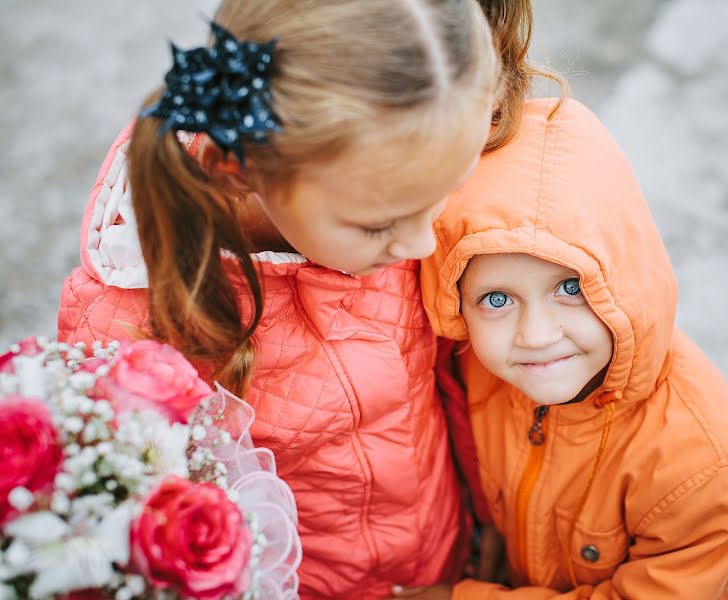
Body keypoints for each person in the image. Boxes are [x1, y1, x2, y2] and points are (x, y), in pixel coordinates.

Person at [56, 1, 503, 597]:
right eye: (379, 224)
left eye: (444, 194)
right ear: (236, 170)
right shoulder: (127, 326)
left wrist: (485, 508)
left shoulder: (390, 177)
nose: (422, 242)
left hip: (446, 550)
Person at [406, 97, 728, 599]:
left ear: (626, 277)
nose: (536, 334)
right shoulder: (479, 368)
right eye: (497, 299)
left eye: (570, 289)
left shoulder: (700, 463)